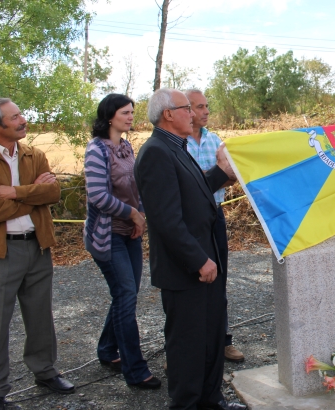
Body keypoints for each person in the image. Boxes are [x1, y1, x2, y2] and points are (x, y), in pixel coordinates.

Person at [134, 88, 245, 410]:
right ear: (168, 114)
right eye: (187, 109)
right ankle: (186, 403)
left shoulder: (177, 147)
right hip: (187, 270)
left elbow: (194, 192)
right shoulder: (156, 152)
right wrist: (199, 260)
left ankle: (211, 399)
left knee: (210, 338)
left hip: (205, 261)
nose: (194, 114)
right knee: (187, 345)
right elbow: (166, 219)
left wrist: (223, 173)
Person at [0, 98, 74, 410]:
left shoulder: (34, 154)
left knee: (40, 315)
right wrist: (34, 194)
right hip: (1, 251)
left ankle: (45, 371)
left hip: (37, 246)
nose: (23, 120)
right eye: (15, 117)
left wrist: (16, 191)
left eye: (21, 114)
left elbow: (53, 193)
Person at [83, 94, 160, 389]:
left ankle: (106, 349)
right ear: (110, 116)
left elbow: (136, 187)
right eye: (125, 112)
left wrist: (139, 213)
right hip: (106, 236)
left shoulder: (126, 147)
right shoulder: (96, 150)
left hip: (130, 233)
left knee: (125, 295)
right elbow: (98, 197)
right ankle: (135, 370)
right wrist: (132, 214)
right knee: (126, 295)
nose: (131, 117)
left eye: (132, 112)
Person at [184, 89, 244, 364]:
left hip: (215, 216)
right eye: (200, 106)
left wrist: (216, 176)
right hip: (187, 221)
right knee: (186, 284)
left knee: (219, 279)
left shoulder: (215, 140)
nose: (206, 111)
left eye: (207, 105)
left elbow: (230, 177)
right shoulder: (177, 144)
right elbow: (185, 189)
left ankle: (222, 341)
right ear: (187, 110)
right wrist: (214, 176)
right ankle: (183, 349)